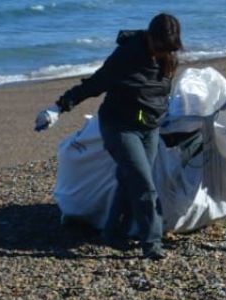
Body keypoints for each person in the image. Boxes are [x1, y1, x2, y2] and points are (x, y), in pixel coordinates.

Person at [35, 13, 183, 261]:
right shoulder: (126, 56)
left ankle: (112, 233)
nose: (162, 54)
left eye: (167, 50)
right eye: (160, 48)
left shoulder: (168, 57)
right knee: (144, 184)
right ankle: (152, 244)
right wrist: (58, 107)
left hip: (150, 127)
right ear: (150, 38)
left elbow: (160, 92)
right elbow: (94, 84)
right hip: (120, 126)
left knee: (129, 180)